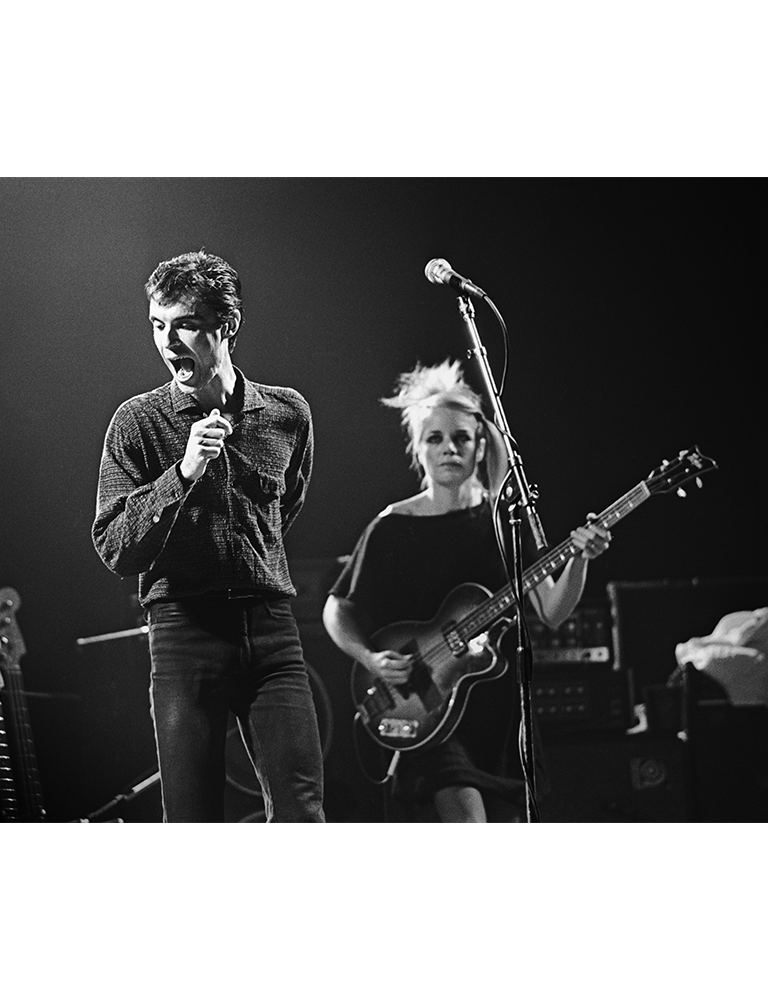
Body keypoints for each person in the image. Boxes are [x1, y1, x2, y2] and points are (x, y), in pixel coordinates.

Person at [322, 359, 610, 822]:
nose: (449, 448)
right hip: (429, 709)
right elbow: (338, 607)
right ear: (418, 449)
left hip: (500, 716)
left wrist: (580, 558)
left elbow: (554, 610)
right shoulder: (392, 526)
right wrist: (369, 658)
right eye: (434, 438)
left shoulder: (505, 523)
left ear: (481, 446)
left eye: (462, 437)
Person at [92, 250, 324, 823]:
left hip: (271, 632)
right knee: (193, 818)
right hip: (184, 635)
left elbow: (283, 509)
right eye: (157, 326)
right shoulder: (137, 422)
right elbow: (115, 546)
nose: (168, 343)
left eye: (186, 325)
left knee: (303, 812)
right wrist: (183, 475)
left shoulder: (286, 413)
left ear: (227, 326)